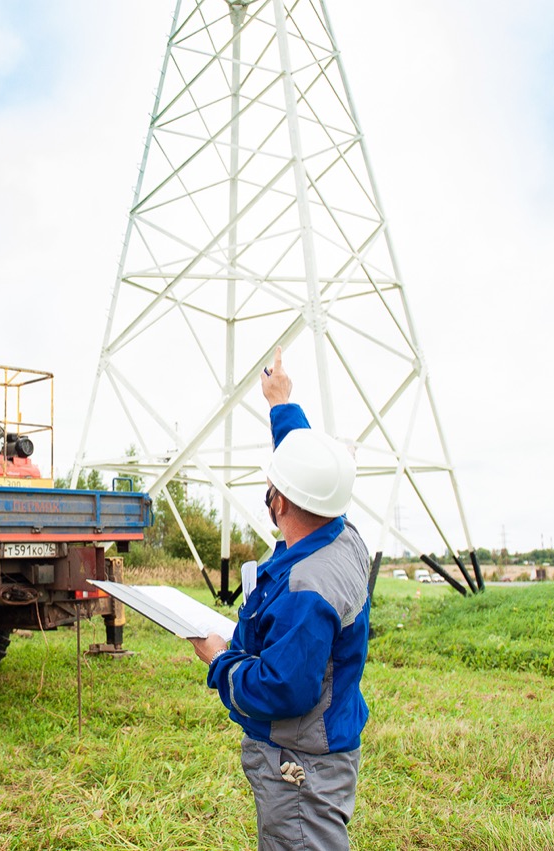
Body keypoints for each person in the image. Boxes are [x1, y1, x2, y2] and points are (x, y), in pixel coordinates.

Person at [190, 347, 372, 850]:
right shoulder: (341, 534)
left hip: (301, 763)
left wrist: (220, 661)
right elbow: (312, 469)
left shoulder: (306, 590)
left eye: (270, 486)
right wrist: (280, 403)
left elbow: (283, 690)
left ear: (281, 502)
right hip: (324, 741)